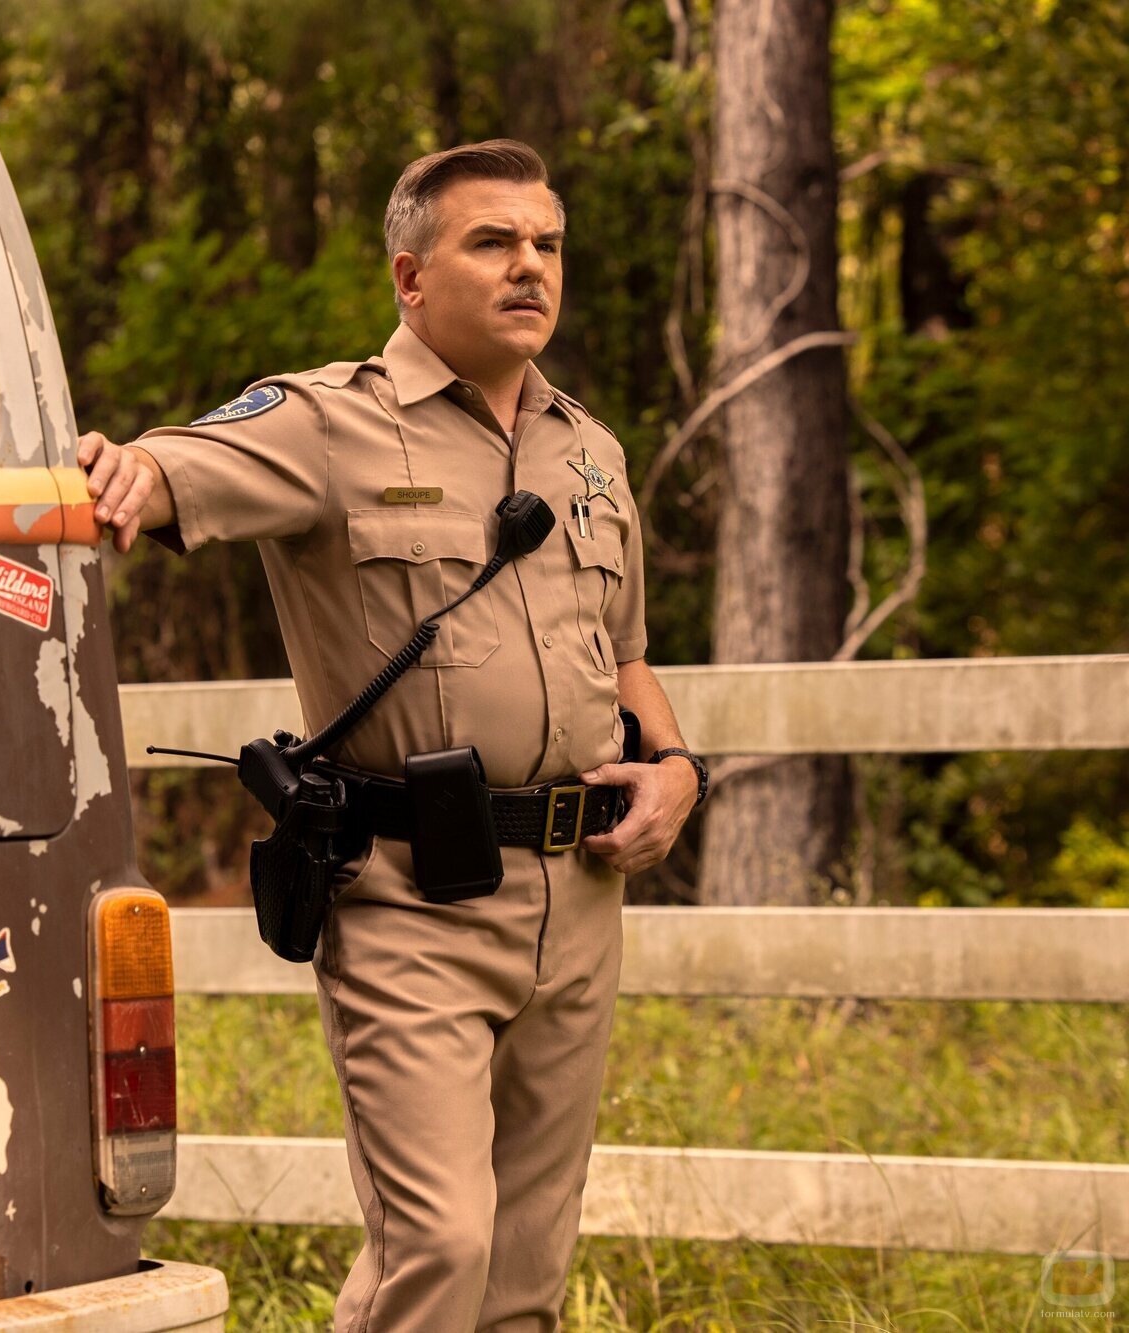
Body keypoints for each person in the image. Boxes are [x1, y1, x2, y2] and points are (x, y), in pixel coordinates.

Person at [77, 139, 708, 1332]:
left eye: (545, 244)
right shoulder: (327, 424)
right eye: (493, 242)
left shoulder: (590, 450)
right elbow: (174, 467)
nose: (530, 266)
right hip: (412, 896)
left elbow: (623, 657)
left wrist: (675, 771)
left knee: (525, 1267)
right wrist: (126, 470)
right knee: (438, 1246)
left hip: (574, 896)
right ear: (411, 277)